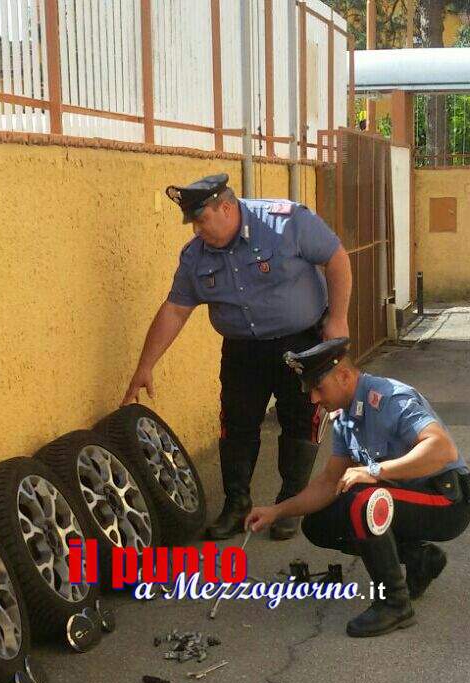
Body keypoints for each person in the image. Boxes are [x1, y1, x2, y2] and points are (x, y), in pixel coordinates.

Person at [121, 173, 352, 541]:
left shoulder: (286, 222)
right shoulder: (196, 256)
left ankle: (291, 504)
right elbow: (175, 310)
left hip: (301, 340)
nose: (197, 230)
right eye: (193, 222)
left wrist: (338, 318)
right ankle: (237, 504)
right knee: (237, 424)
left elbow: (336, 258)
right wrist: (145, 365)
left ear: (225, 207)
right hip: (242, 349)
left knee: (300, 419)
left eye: (201, 220)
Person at [245, 338, 470, 638]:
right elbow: (329, 482)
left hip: (447, 501)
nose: (314, 398)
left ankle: (394, 604)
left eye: (318, 388)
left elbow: (442, 449)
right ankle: (420, 559)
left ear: (344, 376)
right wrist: (276, 512)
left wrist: (374, 470)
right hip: (405, 498)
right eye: (310, 391)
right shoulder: (345, 415)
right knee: (320, 523)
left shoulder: (390, 398)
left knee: (363, 501)